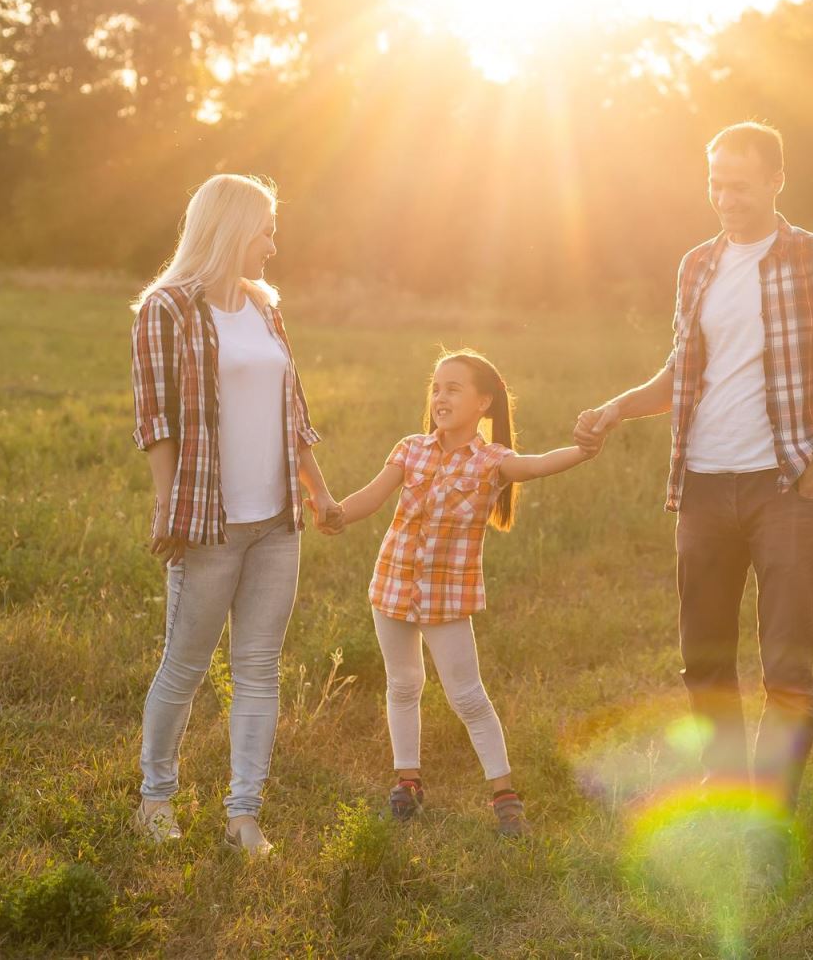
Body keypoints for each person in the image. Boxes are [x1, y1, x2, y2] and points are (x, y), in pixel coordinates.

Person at [575, 122, 813, 819]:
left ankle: (770, 814)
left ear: (778, 180)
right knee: (705, 663)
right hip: (703, 489)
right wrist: (613, 408)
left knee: (786, 668)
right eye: (716, 184)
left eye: (740, 185)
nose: (726, 198)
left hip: (786, 490)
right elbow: (678, 377)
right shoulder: (697, 265)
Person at [129, 173, 340, 856]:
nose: (273, 244)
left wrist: (320, 491)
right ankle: (155, 798)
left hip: (276, 523)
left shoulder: (264, 309)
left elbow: (295, 413)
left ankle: (244, 815)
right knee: (184, 667)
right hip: (207, 521)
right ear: (232, 228)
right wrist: (166, 504)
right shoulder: (166, 309)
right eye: (266, 229)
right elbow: (155, 416)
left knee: (259, 669)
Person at [330, 349, 601, 836]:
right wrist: (337, 514)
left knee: (468, 696)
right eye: (436, 387)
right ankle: (406, 781)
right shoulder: (410, 448)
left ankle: (504, 794)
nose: (440, 396)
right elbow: (372, 495)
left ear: (483, 402)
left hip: (446, 599)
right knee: (403, 685)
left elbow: (538, 465)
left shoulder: (493, 462)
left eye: (453, 388)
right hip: (392, 585)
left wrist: (584, 450)